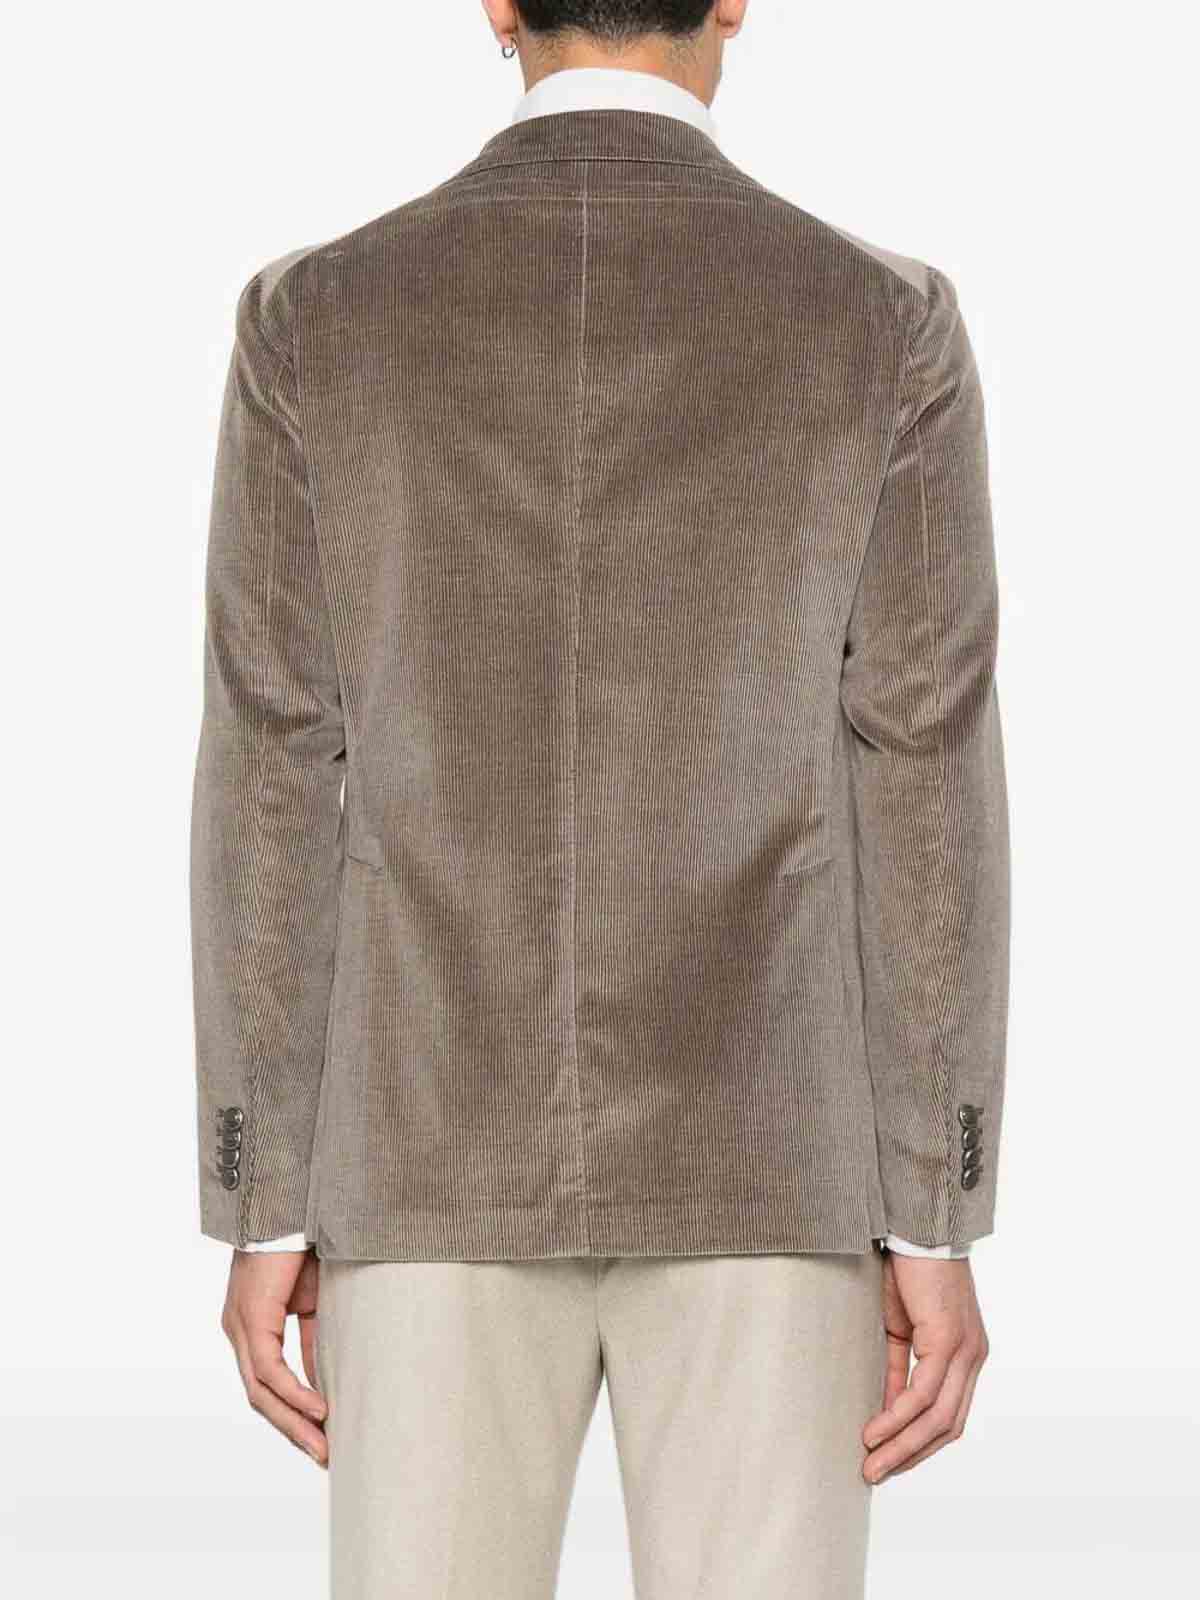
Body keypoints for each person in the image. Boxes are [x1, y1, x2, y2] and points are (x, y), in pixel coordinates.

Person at [189, 1, 1010, 1594]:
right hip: (771, 1153)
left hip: (423, 1149)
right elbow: (924, 768)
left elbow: (275, 760)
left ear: (499, 5)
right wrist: (936, 1210)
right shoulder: (880, 321)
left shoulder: (314, 317)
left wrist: (262, 1190)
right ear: (733, 0)